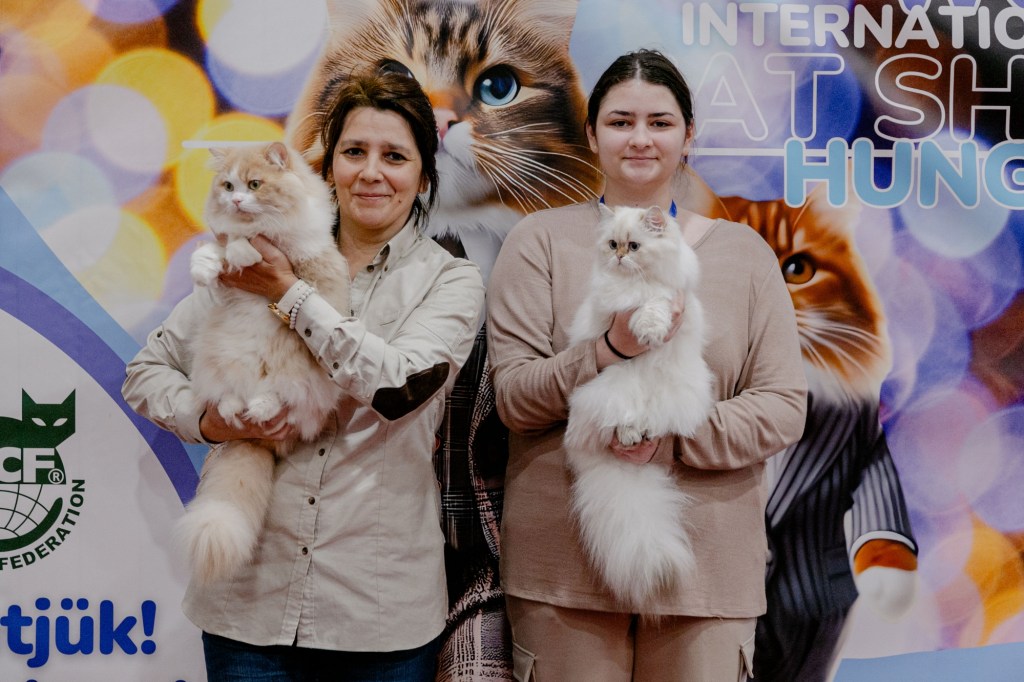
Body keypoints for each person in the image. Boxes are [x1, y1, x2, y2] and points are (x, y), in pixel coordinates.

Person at [122, 70, 485, 681]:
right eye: (354, 152)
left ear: (424, 176)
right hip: (249, 607)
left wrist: (289, 294)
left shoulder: (450, 280)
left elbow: (397, 389)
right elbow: (145, 372)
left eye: (395, 157)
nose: (371, 173)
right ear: (328, 165)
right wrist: (209, 421)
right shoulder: (253, 253)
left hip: (375, 614)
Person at [485, 48, 808, 681]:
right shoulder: (538, 242)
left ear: (689, 136)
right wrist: (606, 351)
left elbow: (782, 407)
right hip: (565, 571)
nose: (640, 138)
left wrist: (668, 439)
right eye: (620, 121)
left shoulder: (745, 255)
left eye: (660, 122)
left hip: (706, 578)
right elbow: (516, 400)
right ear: (591, 134)